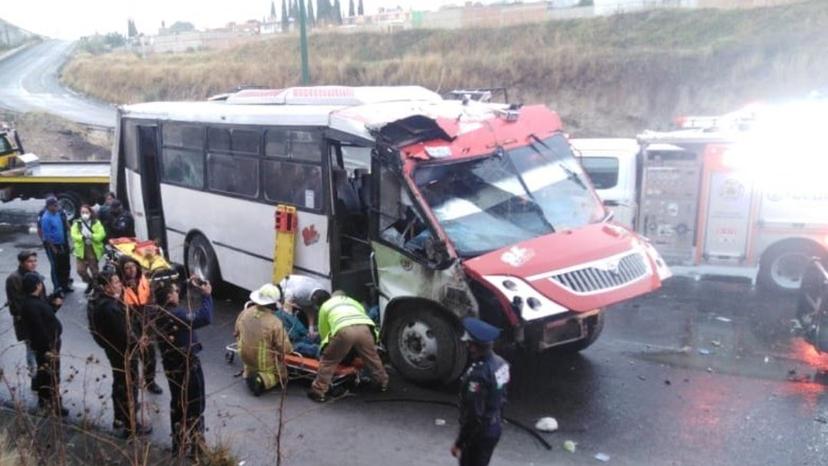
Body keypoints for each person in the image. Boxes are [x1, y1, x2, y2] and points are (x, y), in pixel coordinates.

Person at [152, 278, 213, 458]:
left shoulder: (158, 312)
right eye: (175, 291)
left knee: (178, 404)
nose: (178, 292)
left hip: (172, 365)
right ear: (170, 296)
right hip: (186, 365)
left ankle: (178, 445)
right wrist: (207, 296)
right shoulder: (174, 315)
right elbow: (204, 317)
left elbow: (174, 294)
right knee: (195, 406)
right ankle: (197, 449)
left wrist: (187, 284)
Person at [88, 270, 152, 438]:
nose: (119, 285)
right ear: (105, 287)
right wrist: (139, 342)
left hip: (115, 351)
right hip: (123, 352)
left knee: (119, 382)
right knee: (128, 386)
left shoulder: (101, 301)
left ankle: (119, 417)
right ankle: (131, 425)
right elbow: (123, 333)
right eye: (115, 282)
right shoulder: (108, 308)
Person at [307, 290, 388, 403]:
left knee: (328, 361)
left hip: (344, 330)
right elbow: (363, 315)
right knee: (372, 358)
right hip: (365, 328)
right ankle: (382, 383)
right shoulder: (352, 301)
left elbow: (324, 332)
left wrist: (325, 348)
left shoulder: (325, 306)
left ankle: (318, 391)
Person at [450, 317, 510, 466]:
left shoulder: (478, 375)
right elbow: (503, 396)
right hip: (494, 427)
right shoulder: (501, 363)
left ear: (474, 346)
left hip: (479, 435)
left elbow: (473, 416)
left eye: (468, 344)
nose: (467, 346)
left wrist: (459, 443)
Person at [20, 273, 67, 417]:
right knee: (50, 376)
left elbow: (47, 317)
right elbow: (40, 328)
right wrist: (49, 348)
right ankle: (52, 404)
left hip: (48, 345)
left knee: (47, 375)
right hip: (47, 347)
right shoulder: (32, 305)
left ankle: (47, 402)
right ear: (37, 286)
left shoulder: (34, 302)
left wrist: (54, 305)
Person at [234, 284, 293, 396]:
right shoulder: (275, 322)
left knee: (250, 366)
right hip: (263, 362)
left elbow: (236, 332)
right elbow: (285, 348)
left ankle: (249, 373)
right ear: (273, 303)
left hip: (244, 356)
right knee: (282, 374)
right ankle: (261, 380)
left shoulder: (245, 312)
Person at [118, 256, 163, 395]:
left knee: (150, 355)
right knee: (133, 357)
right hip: (131, 324)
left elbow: (151, 299)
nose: (131, 270)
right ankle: (134, 383)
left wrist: (151, 316)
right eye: (127, 268)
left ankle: (150, 382)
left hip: (146, 322)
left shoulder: (144, 281)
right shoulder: (119, 285)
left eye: (133, 266)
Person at [5, 250, 42, 388]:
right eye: (29, 261)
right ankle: (34, 379)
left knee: (40, 350)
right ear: (22, 263)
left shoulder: (35, 275)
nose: (33, 264)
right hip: (26, 322)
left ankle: (40, 378)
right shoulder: (13, 279)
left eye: (34, 261)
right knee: (31, 350)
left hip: (39, 319)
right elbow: (16, 306)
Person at [39, 197, 73, 293]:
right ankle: (57, 288)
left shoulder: (58, 213)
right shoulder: (46, 218)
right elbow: (46, 235)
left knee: (65, 265)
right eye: (55, 205)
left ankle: (65, 285)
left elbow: (65, 223)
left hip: (63, 243)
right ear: (49, 206)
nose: (57, 207)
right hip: (54, 246)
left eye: (57, 205)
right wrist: (53, 248)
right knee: (56, 267)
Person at [70, 204, 106, 294]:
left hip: (92, 250)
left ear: (90, 212)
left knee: (95, 272)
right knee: (80, 270)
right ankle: (90, 283)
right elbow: (73, 235)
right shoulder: (77, 223)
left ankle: (96, 288)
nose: (84, 214)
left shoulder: (96, 222)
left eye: (86, 212)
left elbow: (102, 234)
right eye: (82, 212)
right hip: (81, 250)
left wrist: (92, 236)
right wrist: (81, 237)